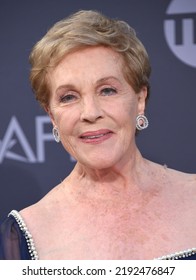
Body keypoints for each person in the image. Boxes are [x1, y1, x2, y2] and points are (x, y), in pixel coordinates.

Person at [0, 10, 196, 260]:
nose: (90, 113)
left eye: (107, 90)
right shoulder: (20, 238)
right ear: (52, 116)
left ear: (139, 99)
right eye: (68, 97)